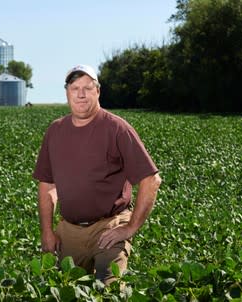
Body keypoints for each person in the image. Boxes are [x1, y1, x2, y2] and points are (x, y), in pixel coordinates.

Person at [32, 64, 161, 285]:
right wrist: (47, 231)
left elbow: (151, 180)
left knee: (108, 288)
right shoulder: (55, 131)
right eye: (75, 88)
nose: (81, 94)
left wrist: (130, 227)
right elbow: (47, 185)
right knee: (67, 289)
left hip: (109, 226)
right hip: (70, 229)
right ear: (67, 92)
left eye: (88, 88)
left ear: (98, 91)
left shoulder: (117, 129)